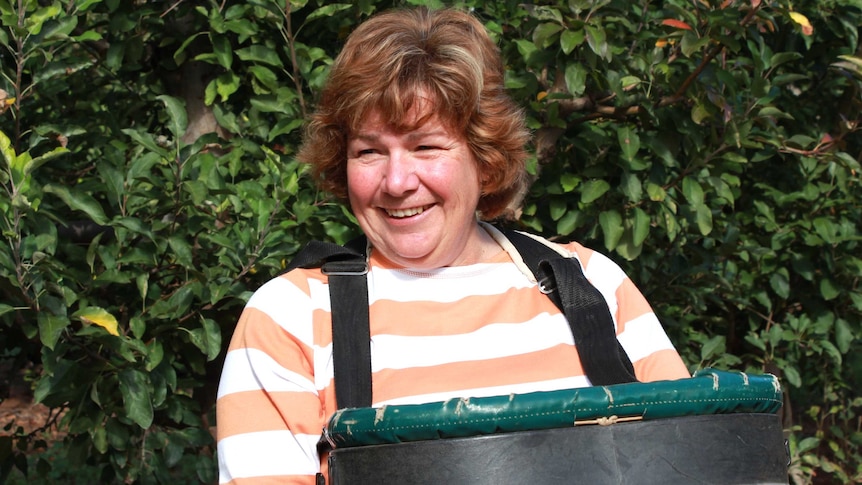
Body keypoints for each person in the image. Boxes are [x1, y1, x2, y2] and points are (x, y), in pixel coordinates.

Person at [216, 6, 689, 484]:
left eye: (426, 147)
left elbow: (692, 462)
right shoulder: (290, 318)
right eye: (369, 151)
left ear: (484, 158)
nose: (397, 181)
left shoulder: (590, 286)